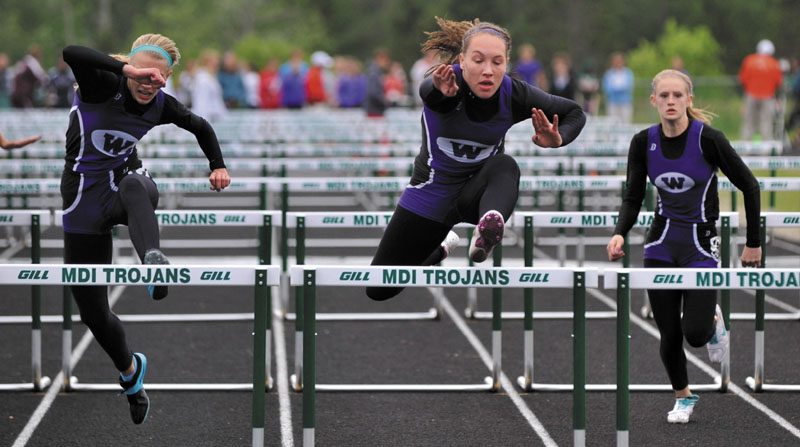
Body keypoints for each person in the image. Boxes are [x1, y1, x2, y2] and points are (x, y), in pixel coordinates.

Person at [61, 34, 230, 424]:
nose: (147, 84)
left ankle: (152, 260)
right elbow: (72, 52)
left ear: (167, 78)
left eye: (156, 78)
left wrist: (216, 165)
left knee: (137, 183)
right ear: (133, 70)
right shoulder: (105, 84)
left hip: (126, 189)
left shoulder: (162, 105)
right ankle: (130, 374)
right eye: (142, 75)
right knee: (93, 314)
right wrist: (125, 69)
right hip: (83, 199)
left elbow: (201, 126)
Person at [367, 17, 586, 301]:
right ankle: (442, 247)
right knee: (379, 289)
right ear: (462, 60)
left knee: (505, 164)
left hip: (476, 195)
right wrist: (441, 92)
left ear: (507, 63)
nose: (487, 71)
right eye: (479, 60)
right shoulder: (444, 82)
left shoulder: (514, 93)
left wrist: (559, 138)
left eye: (497, 62)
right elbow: (428, 92)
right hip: (430, 196)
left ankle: (489, 226)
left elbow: (575, 112)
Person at [606, 69, 761, 424]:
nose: (671, 102)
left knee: (694, 333)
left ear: (689, 99)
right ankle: (683, 396)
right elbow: (632, 198)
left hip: (701, 245)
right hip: (660, 243)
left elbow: (749, 187)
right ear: (654, 101)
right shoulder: (643, 142)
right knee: (669, 331)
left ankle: (711, 321)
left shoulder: (709, 139)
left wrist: (753, 244)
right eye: (664, 96)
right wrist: (619, 232)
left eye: (678, 95)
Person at [739, 39, 783, 141]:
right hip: (767, 96)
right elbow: (778, 82)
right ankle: (765, 150)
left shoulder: (749, 60)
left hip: (750, 95)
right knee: (766, 122)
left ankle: (745, 149)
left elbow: (742, 79)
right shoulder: (773, 63)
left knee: (749, 122)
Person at [191, 49, 226, 122]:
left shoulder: (212, 77)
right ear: (208, 62)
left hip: (215, 118)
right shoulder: (202, 79)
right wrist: (203, 123)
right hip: (207, 119)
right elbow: (201, 102)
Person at [11, 44, 49, 108]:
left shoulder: (24, 61)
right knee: (29, 114)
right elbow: (43, 78)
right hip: (23, 94)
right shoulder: (32, 62)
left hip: (15, 93)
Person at [602, 52, 634, 123]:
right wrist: (617, 89)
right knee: (613, 123)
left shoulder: (628, 73)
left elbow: (628, 86)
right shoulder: (609, 74)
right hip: (613, 102)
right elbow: (606, 87)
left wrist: (617, 88)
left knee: (626, 123)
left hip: (625, 102)